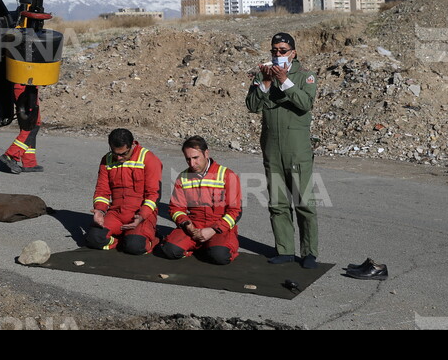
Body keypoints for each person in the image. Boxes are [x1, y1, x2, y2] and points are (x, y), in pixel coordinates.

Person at [245, 32, 320, 269]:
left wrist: (285, 80)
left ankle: (309, 252)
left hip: (296, 149)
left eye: (283, 50)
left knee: (304, 202)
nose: (278, 55)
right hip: (272, 148)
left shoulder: (304, 76)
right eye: (274, 51)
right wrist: (266, 82)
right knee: (277, 203)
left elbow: (305, 103)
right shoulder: (262, 75)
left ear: (293, 53)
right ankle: (285, 249)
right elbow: (253, 106)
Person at [159, 136, 242, 265]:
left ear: (206, 153)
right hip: (194, 226)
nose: (192, 164)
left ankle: (210, 246)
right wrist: (186, 224)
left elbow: (235, 211)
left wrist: (213, 230)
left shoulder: (227, 175)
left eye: (195, 158)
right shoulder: (183, 177)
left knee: (220, 257)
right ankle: (202, 246)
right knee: (169, 250)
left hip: (218, 227)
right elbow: (176, 208)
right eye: (188, 159)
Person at [85, 128, 163, 255]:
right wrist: (99, 210)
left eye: (123, 154)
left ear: (132, 144)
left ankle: (153, 237)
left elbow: (154, 194)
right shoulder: (107, 159)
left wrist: (142, 216)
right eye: (115, 153)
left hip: (141, 214)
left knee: (134, 246)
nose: (119, 158)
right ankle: (122, 238)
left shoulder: (148, 159)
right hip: (116, 213)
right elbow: (102, 190)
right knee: (93, 239)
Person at [1, 84, 43, 173]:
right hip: (25, 87)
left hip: (26, 86)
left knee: (29, 125)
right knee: (32, 124)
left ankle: (29, 162)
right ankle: (10, 155)